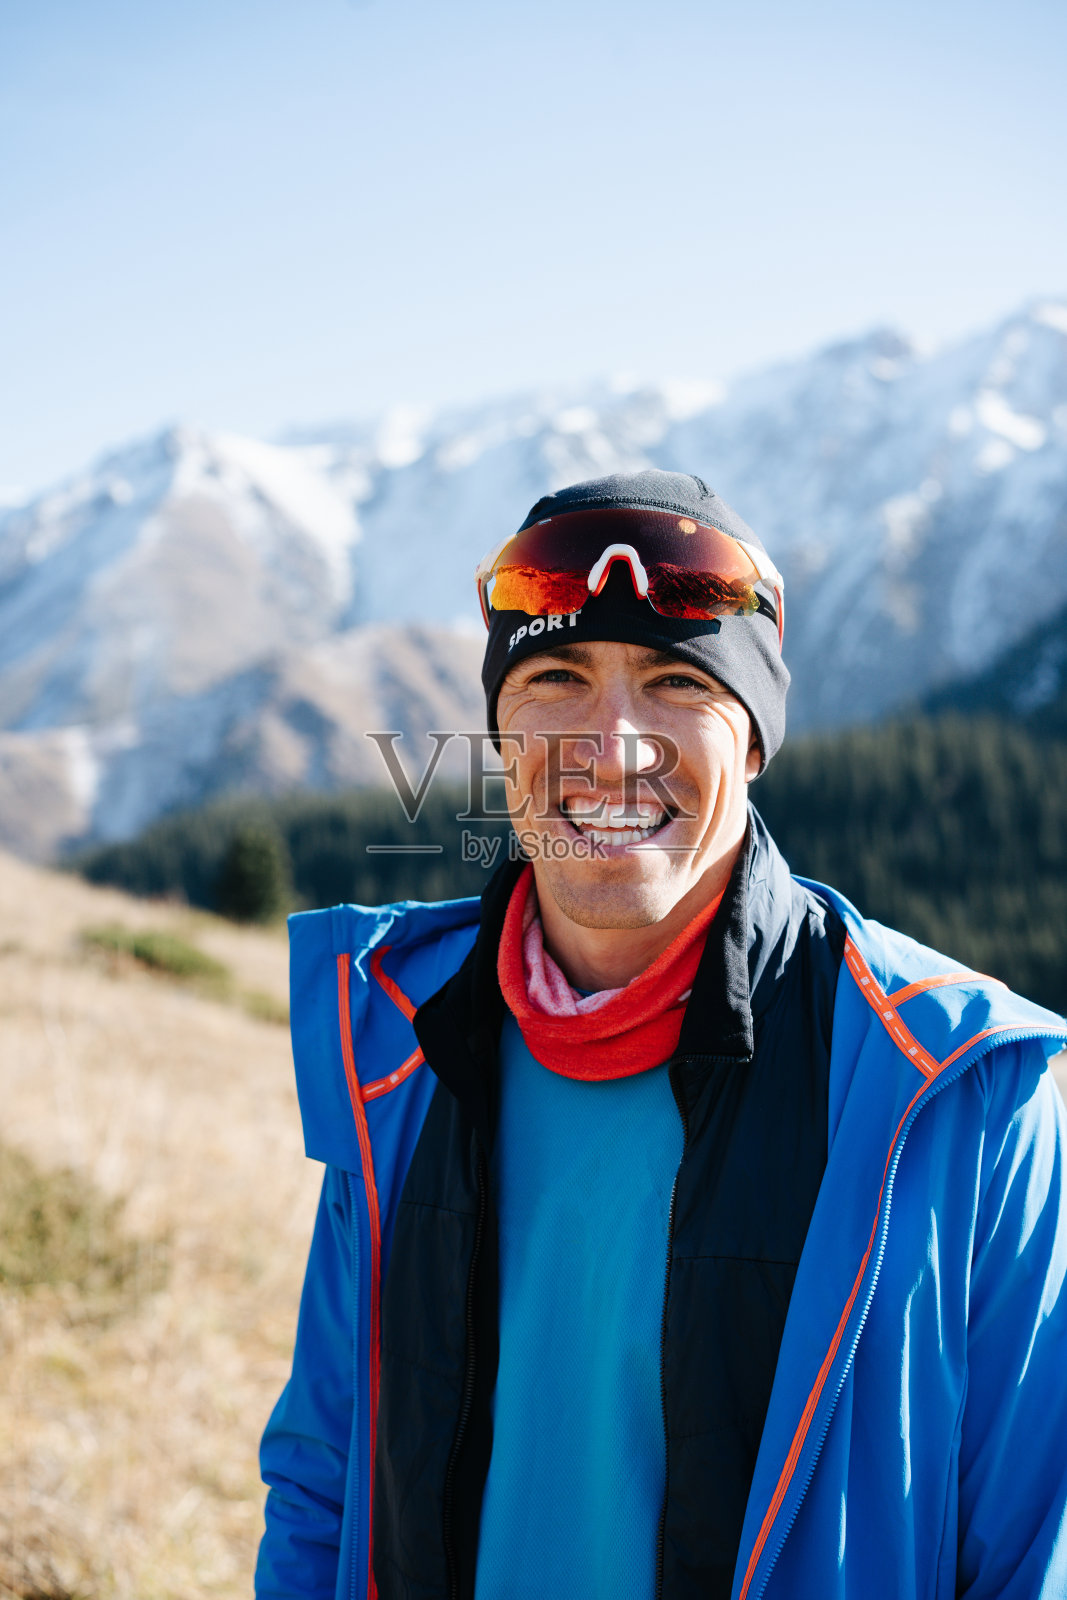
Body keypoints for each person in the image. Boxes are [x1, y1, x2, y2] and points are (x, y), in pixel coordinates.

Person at [255, 471, 1067, 1600]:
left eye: (676, 680)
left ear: (750, 742)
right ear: (500, 732)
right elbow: (324, 1478)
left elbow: (1034, 1551)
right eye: (555, 677)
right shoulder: (400, 1045)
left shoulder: (956, 1089)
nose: (613, 741)